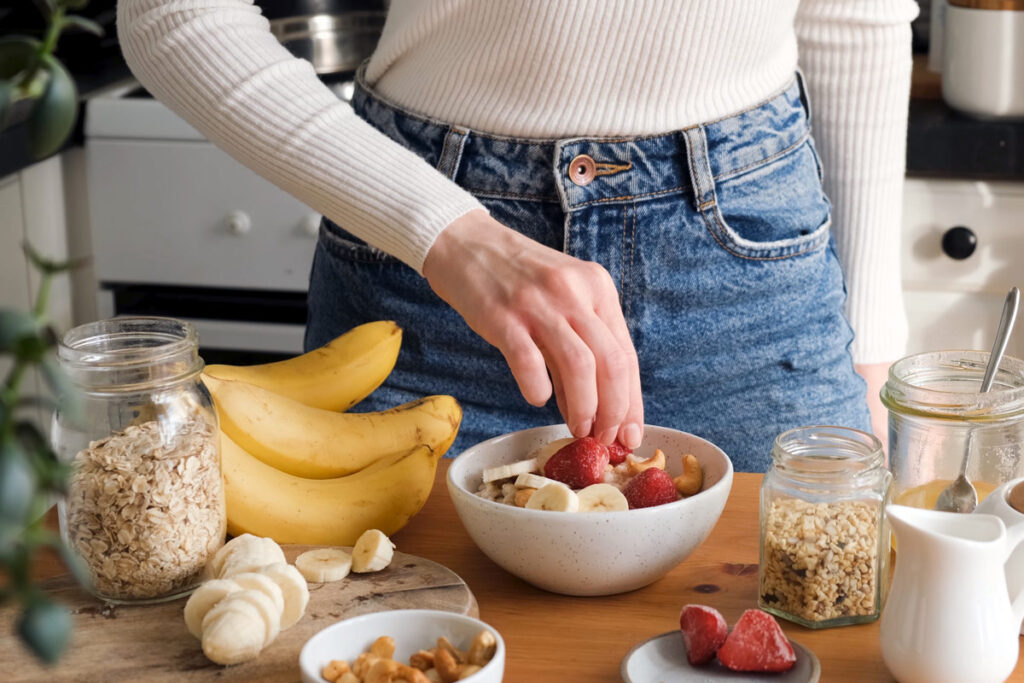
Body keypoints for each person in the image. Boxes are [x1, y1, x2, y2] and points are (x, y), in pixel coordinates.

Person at [118, 0, 916, 471]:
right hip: (432, 281)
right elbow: (171, 13)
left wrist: (872, 343)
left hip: (756, 288)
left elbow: (857, 12)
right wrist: (454, 237)